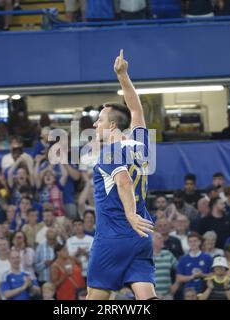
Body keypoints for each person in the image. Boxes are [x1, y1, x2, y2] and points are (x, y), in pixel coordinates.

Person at [87, 50, 156, 300]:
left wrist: (130, 214)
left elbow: (124, 180)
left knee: (95, 296)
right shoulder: (139, 144)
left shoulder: (109, 153)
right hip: (142, 235)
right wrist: (123, 75)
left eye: (100, 120)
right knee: (146, 295)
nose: (95, 125)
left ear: (113, 126)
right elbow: (135, 110)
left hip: (114, 235)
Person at [152, 233, 178, 300]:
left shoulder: (168, 253)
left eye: (161, 238)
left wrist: (176, 284)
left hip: (168, 294)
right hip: (152, 294)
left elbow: (180, 269)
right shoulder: (147, 256)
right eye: (159, 238)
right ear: (151, 241)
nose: (162, 240)